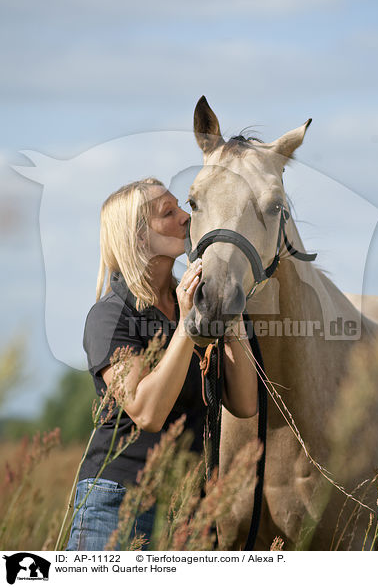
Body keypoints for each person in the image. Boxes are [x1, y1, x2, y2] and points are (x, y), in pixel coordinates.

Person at [66, 177, 258, 551]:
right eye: (168, 213)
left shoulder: (196, 298)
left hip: (187, 506)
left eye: (181, 208)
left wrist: (230, 318)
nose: (186, 218)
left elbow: (246, 404)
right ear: (139, 238)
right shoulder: (110, 316)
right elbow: (148, 412)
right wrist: (187, 327)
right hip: (118, 503)